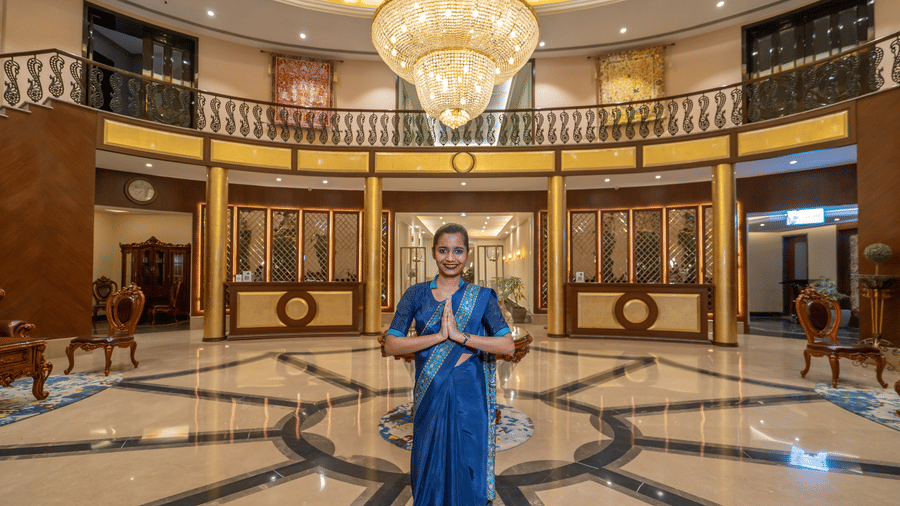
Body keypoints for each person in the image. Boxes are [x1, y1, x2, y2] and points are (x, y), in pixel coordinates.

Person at [384, 223, 515, 505]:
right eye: (443, 250)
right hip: (431, 391)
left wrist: (460, 337)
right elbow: (391, 344)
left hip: (470, 391)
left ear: (467, 254)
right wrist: (439, 337)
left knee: (469, 454)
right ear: (434, 253)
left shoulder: (482, 297)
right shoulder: (416, 294)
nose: (450, 258)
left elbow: (507, 344)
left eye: (458, 251)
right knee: (427, 456)